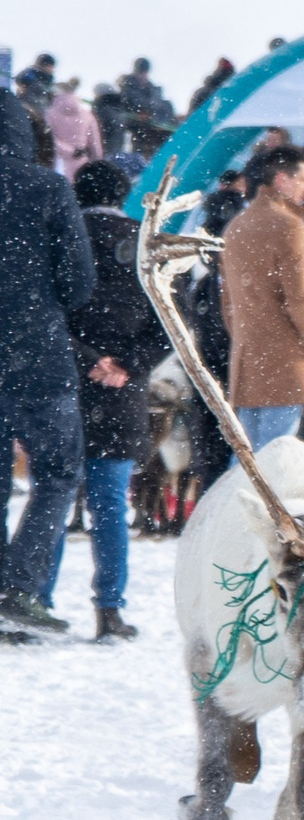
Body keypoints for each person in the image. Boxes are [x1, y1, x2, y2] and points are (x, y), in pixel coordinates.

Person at [0, 96, 96, 632]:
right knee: (57, 474)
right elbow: (79, 285)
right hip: (38, 358)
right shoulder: (47, 188)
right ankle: (17, 585)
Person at [64, 159, 161, 629]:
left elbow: (45, 311)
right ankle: (109, 608)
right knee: (109, 504)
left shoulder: (61, 234)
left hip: (66, 384)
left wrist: (87, 360)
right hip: (123, 393)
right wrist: (127, 365)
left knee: (54, 495)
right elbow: (167, 321)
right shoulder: (143, 240)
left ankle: (34, 596)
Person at [218, 146, 304, 452]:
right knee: (276, 455)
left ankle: (236, 501)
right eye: (303, 179)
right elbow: (299, 294)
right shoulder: (288, 225)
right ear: (281, 179)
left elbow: (227, 301)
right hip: (286, 357)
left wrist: (244, 334)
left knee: (247, 458)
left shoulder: (236, 226)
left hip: (248, 356)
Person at [47, 83, 103, 179]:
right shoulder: (87, 114)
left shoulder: (49, 114)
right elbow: (95, 143)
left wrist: (68, 151)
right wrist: (98, 163)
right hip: (82, 162)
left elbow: (49, 139)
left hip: (57, 162)